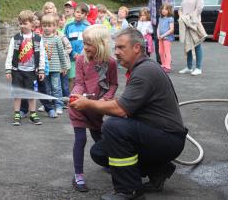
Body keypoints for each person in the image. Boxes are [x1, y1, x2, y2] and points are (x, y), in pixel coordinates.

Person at [70, 27, 187, 200]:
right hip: (160, 134)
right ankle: (158, 171)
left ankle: (129, 190)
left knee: (113, 127)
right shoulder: (141, 68)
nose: (116, 52)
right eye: (115, 47)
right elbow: (126, 107)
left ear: (136, 48)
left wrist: (88, 104)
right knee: (100, 152)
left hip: (167, 137)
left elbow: (121, 110)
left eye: (121, 47)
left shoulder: (144, 72)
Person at [69, 25, 118, 192]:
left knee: (101, 138)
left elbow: (113, 84)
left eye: (89, 43)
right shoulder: (81, 60)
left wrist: (105, 99)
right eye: (84, 43)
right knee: (80, 139)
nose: (85, 47)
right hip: (79, 108)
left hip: (97, 108)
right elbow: (79, 83)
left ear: (102, 44)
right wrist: (76, 95)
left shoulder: (111, 63)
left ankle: (108, 163)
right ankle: (78, 176)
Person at [5, 10, 45, 126]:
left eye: (25, 23)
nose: (22, 25)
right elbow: (10, 54)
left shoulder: (38, 38)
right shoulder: (16, 38)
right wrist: (8, 69)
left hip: (32, 71)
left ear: (32, 24)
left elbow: (42, 54)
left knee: (32, 94)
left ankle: (33, 114)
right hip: (17, 71)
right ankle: (17, 114)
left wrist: (41, 69)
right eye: (21, 23)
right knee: (17, 94)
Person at [178, 0, 207, 76]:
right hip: (185, 23)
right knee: (188, 45)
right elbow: (180, 9)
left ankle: (198, 68)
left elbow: (199, 9)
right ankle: (189, 67)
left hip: (194, 24)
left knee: (197, 45)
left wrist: (189, 18)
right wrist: (182, 17)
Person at [41, 14, 68, 116]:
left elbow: (62, 53)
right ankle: (48, 105)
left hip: (56, 68)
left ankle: (59, 105)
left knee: (56, 87)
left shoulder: (57, 39)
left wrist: (64, 66)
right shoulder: (40, 39)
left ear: (54, 26)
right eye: (44, 25)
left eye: (49, 25)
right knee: (46, 88)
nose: (47, 28)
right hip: (45, 69)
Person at [147, 0, 174, 65]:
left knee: (165, 40)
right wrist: (147, 17)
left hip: (165, 20)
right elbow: (150, 5)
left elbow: (171, 5)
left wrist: (169, 19)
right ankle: (160, 61)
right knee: (158, 40)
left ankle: (167, 61)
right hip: (155, 19)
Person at [64, 3, 90, 89]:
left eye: (82, 13)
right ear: (74, 12)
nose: (79, 14)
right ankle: (72, 98)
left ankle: (82, 99)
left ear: (86, 15)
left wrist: (82, 54)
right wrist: (73, 53)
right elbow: (65, 41)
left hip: (84, 58)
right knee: (72, 78)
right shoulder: (68, 26)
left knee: (83, 78)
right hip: (72, 57)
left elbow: (89, 42)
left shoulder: (88, 27)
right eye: (77, 12)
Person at [157, 3, 175, 73]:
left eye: (166, 9)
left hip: (167, 38)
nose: (164, 10)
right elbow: (158, 27)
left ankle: (167, 66)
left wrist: (163, 35)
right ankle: (163, 64)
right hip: (160, 37)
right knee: (161, 52)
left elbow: (171, 29)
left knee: (167, 52)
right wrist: (158, 34)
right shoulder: (160, 18)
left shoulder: (170, 19)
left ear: (169, 10)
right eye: (163, 9)